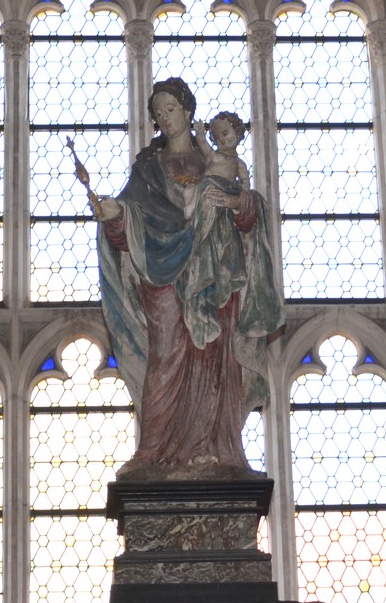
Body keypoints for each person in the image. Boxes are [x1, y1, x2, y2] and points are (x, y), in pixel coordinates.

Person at [97, 78, 283, 475]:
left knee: (215, 363)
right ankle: (153, 452)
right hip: (163, 277)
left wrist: (238, 203)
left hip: (215, 275)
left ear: (187, 110)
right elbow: (130, 224)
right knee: (164, 357)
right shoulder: (148, 168)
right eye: (158, 113)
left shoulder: (213, 161)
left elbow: (249, 209)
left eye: (171, 109)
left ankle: (219, 452)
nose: (165, 117)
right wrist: (116, 217)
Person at [193, 111, 251, 194]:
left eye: (225, 134)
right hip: (203, 186)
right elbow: (202, 143)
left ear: (237, 132)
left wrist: (241, 194)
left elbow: (245, 184)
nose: (221, 139)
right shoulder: (213, 155)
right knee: (188, 191)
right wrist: (200, 133)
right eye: (217, 137)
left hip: (220, 191)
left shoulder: (239, 163)